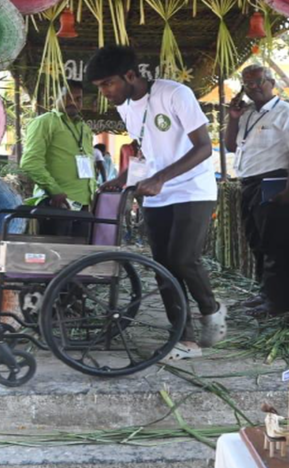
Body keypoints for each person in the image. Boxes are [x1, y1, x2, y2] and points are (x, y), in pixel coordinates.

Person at [89, 45, 225, 360]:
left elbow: (204, 147)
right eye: (100, 88)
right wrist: (123, 177)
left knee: (183, 258)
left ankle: (212, 310)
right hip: (156, 194)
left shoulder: (175, 94)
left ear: (131, 75)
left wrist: (161, 177)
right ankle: (184, 338)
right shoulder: (125, 107)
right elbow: (144, 151)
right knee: (162, 266)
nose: (105, 93)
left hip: (193, 190)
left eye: (108, 84)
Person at [223, 65, 289, 319]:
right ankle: (266, 294)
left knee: (277, 245)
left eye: (258, 82)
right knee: (258, 242)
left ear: (272, 82)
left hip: (275, 182)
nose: (253, 88)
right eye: (247, 84)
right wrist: (233, 117)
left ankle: (280, 303)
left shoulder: (288, 114)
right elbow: (230, 145)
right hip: (250, 184)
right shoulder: (248, 114)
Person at [19, 81, 98, 236]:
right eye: (67, 97)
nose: (73, 102)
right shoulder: (45, 122)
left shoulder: (84, 128)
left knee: (79, 256)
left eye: (78, 98)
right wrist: (54, 191)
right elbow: (30, 162)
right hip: (56, 204)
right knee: (55, 256)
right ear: (53, 98)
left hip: (83, 206)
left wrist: (93, 192)